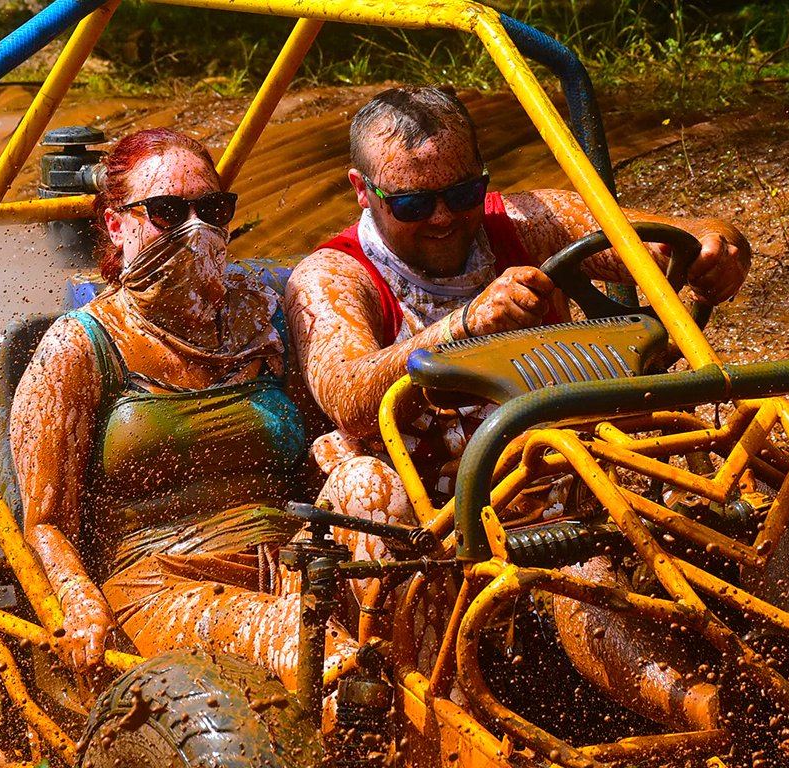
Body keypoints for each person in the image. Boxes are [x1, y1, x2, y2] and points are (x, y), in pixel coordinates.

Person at [285, 86, 751, 729]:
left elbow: (663, 240)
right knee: (362, 483)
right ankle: (431, 717)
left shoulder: (523, 221)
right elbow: (347, 393)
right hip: (435, 527)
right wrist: (463, 325)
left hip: (564, 486)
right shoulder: (331, 276)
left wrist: (716, 245)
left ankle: (749, 674)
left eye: (463, 194)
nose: (444, 218)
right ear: (362, 190)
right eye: (414, 203)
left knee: (705, 449)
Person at [11, 127, 356, 691]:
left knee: (410, 580)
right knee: (318, 651)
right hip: (160, 581)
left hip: (291, 559)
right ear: (116, 225)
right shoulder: (79, 346)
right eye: (168, 212)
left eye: (212, 210)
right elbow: (46, 523)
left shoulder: (264, 319)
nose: (197, 230)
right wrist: (78, 599)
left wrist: (340, 456)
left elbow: (315, 445)